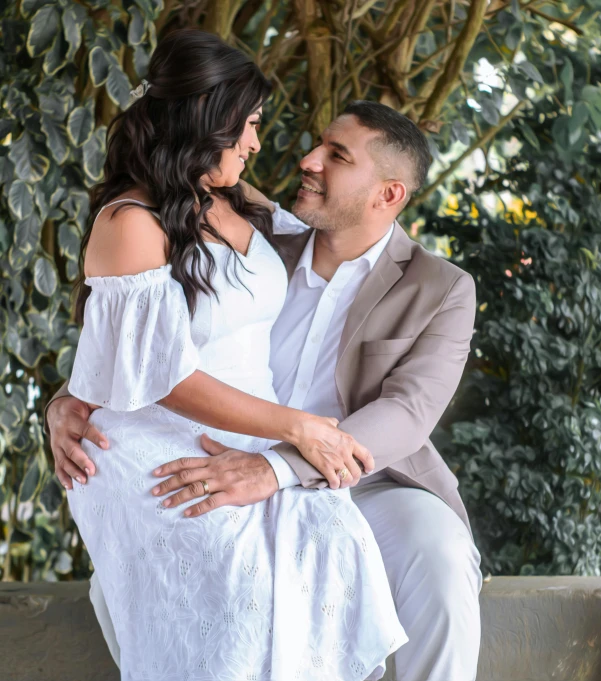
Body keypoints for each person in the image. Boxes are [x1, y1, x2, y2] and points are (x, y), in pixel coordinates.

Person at [47, 81, 482, 681]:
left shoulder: (440, 287)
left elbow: (408, 412)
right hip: (218, 451)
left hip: (362, 476)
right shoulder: (253, 236)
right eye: (319, 145)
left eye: (338, 155)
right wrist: (67, 401)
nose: (308, 160)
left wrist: (277, 467)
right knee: (150, 579)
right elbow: (144, 329)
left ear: (389, 194)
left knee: (440, 552)